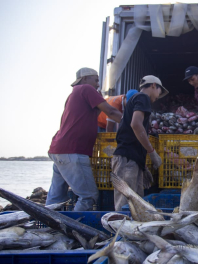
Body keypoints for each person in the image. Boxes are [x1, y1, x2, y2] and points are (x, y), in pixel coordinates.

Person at [46, 67, 123, 211]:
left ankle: (48, 224)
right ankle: (74, 228)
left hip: (58, 150)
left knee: (56, 196)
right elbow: (111, 111)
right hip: (72, 151)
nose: (98, 84)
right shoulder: (86, 88)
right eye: (96, 80)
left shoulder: (73, 95)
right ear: (85, 79)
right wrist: (130, 124)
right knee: (88, 196)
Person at [112, 75, 168, 211]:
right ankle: (121, 231)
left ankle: (130, 232)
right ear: (154, 85)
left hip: (132, 160)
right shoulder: (143, 97)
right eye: (160, 91)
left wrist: (142, 165)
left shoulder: (136, 99)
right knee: (125, 206)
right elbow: (136, 125)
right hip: (126, 159)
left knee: (136, 207)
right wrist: (152, 152)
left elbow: (135, 134)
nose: (159, 96)